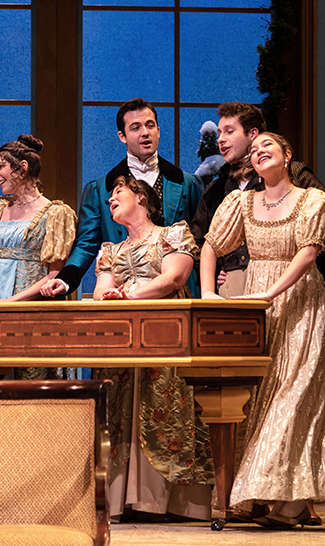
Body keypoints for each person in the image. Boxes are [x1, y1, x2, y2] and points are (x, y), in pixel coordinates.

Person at [200, 132, 325, 528]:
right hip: (255, 306)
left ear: (288, 155)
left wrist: (270, 293)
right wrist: (210, 293)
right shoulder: (241, 202)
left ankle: (292, 499)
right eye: (255, 149)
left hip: (297, 300)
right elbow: (211, 245)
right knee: (257, 397)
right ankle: (254, 495)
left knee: (295, 395)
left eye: (269, 147)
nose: (260, 152)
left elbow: (309, 252)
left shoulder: (312, 200)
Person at [93, 176, 214, 520]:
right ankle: (122, 500)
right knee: (120, 409)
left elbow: (174, 277)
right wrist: (111, 294)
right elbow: (102, 289)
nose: (111, 200)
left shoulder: (171, 234)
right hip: (122, 341)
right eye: (110, 196)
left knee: (163, 406)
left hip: (165, 335)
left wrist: (128, 293)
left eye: (119, 192)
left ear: (141, 197)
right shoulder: (110, 250)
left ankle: (170, 501)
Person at [40, 97, 203, 298]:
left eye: (150, 125)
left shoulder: (186, 183)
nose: (145, 132)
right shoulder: (100, 190)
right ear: (122, 136)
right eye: (135, 127)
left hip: (179, 290)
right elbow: (86, 245)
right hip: (123, 294)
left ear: (158, 131)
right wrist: (66, 279)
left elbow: (202, 238)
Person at [190, 102, 325, 297]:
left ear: (252, 134)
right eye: (219, 134)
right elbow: (199, 241)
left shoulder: (291, 172)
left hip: (285, 284)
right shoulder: (217, 188)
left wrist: (312, 267)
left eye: (229, 132)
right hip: (234, 285)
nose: (221, 140)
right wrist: (215, 274)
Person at [0, 134, 77, 379]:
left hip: (30, 315)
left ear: (22, 168)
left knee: (30, 386)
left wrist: (9, 305)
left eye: (0, 166)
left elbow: (54, 274)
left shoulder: (55, 213)